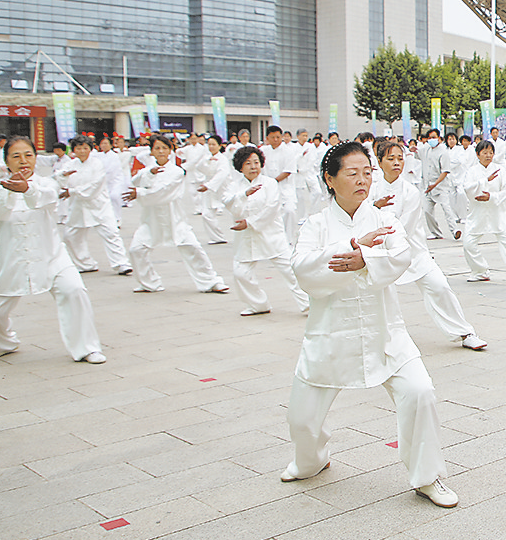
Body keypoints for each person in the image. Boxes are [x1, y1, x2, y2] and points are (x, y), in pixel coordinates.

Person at [283, 141, 457, 508]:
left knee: (420, 392)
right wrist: (350, 247)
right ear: (330, 179)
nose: (363, 179)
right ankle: (310, 461)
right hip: (330, 334)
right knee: (301, 419)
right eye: (352, 173)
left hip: (385, 332)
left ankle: (427, 476)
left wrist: (365, 258)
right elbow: (303, 270)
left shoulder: (383, 220)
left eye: (367, 172)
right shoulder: (314, 224)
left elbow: (401, 255)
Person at [0, 137, 106, 364]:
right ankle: (2, 343)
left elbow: (47, 198)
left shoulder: (46, 183)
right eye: (16, 156)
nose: (23, 161)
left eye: (28, 155)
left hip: (52, 256)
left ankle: (87, 348)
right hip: (10, 260)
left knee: (73, 291)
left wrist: (27, 188)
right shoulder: (0, 187)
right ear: (6, 161)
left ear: (36, 158)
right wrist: (8, 189)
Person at [371, 139, 489, 351]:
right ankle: (379, 338)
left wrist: (377, 216)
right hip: (381, 253)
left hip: (412, 252)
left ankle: (464, 332)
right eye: (390, 159)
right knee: (377, 298)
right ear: (379, 162)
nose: (397, 163)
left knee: (439, 287)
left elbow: (402, 227)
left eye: (400, 158)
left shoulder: (410, 192)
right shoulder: (371, 190)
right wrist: (373, 208)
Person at [126, 134, 230, 293]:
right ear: (151, 152)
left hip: (174, 219)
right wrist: (150, 174)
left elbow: (162, 192)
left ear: (170, 151)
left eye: (164, 148)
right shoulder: (147, 171)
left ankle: (210, 281)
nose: (161, 151)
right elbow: (135, 182)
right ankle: (149, 283)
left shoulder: (177, 172)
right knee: (136, 249)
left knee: (193, 248)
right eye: (157, 148)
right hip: (151, 220)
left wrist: (140, 193)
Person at [225, 145, 310, 317]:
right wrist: (244, 195)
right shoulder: (234, 186)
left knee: (290, 270)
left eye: (256, 162)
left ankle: (309, 304)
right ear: (240, 167)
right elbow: (230, 205)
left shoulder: (270, 183)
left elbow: (271, 208)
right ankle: (258, 304)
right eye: (248, 163)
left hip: (271, 234)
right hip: (246, 238)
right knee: (240, 273)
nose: (253, 166)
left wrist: (249, 222)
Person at [460, 140, 506, 284]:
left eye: (491, 152)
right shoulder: (472, 171)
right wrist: (484, 181)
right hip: (477, 213)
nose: (488, 156)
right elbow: (467, 188)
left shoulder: (500, 170)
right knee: (468, 244)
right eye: (485, 153)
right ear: (478, 154)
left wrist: (492, 197)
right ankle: (480, 271)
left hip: (497, 212)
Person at [56, 135, 132, 276]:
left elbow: (95, 185)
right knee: (71, 236)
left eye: (85, 148)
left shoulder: (97, 164)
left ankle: (121, 263)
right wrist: (63, 176)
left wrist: (72, 191)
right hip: (78, 207)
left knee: (111, 233)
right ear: (73, 150)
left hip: (99, 205)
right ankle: (85, 263)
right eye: (79, 148)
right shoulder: (70, 165)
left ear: (91, 149)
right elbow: (58, 178)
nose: (82, 151)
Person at [419, 128, 461, 240]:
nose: (431, 140)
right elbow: (417, 154)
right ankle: (435, 232)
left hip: (440, 186)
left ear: (439, 139)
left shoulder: (443, 152)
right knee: (427, 211)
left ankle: (454, 230)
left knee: (446, 208)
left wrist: (435, 184)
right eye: (430, 138)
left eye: (434, 137)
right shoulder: (426, 150)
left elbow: (445, 171)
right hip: (427, 187)